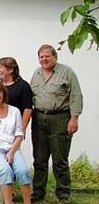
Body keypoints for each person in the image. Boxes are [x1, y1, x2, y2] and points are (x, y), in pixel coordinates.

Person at [29, 44, 83, 203]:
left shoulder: (67, 72)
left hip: (60, 119)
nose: (44, 59)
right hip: (39, 119)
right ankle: (38, 192)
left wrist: (74, 118)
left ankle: (63, 193)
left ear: (54, 57)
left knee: (60, 159)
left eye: (47, 56)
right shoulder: (37, 73)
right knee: (39, 159)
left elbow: (76, 96)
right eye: (41, 56)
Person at [0, 57, 33, 132]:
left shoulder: (23, 85)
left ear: (11, 70)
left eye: (1, 67)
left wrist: (22, 129)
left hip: (14, 126)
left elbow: (28, 109)